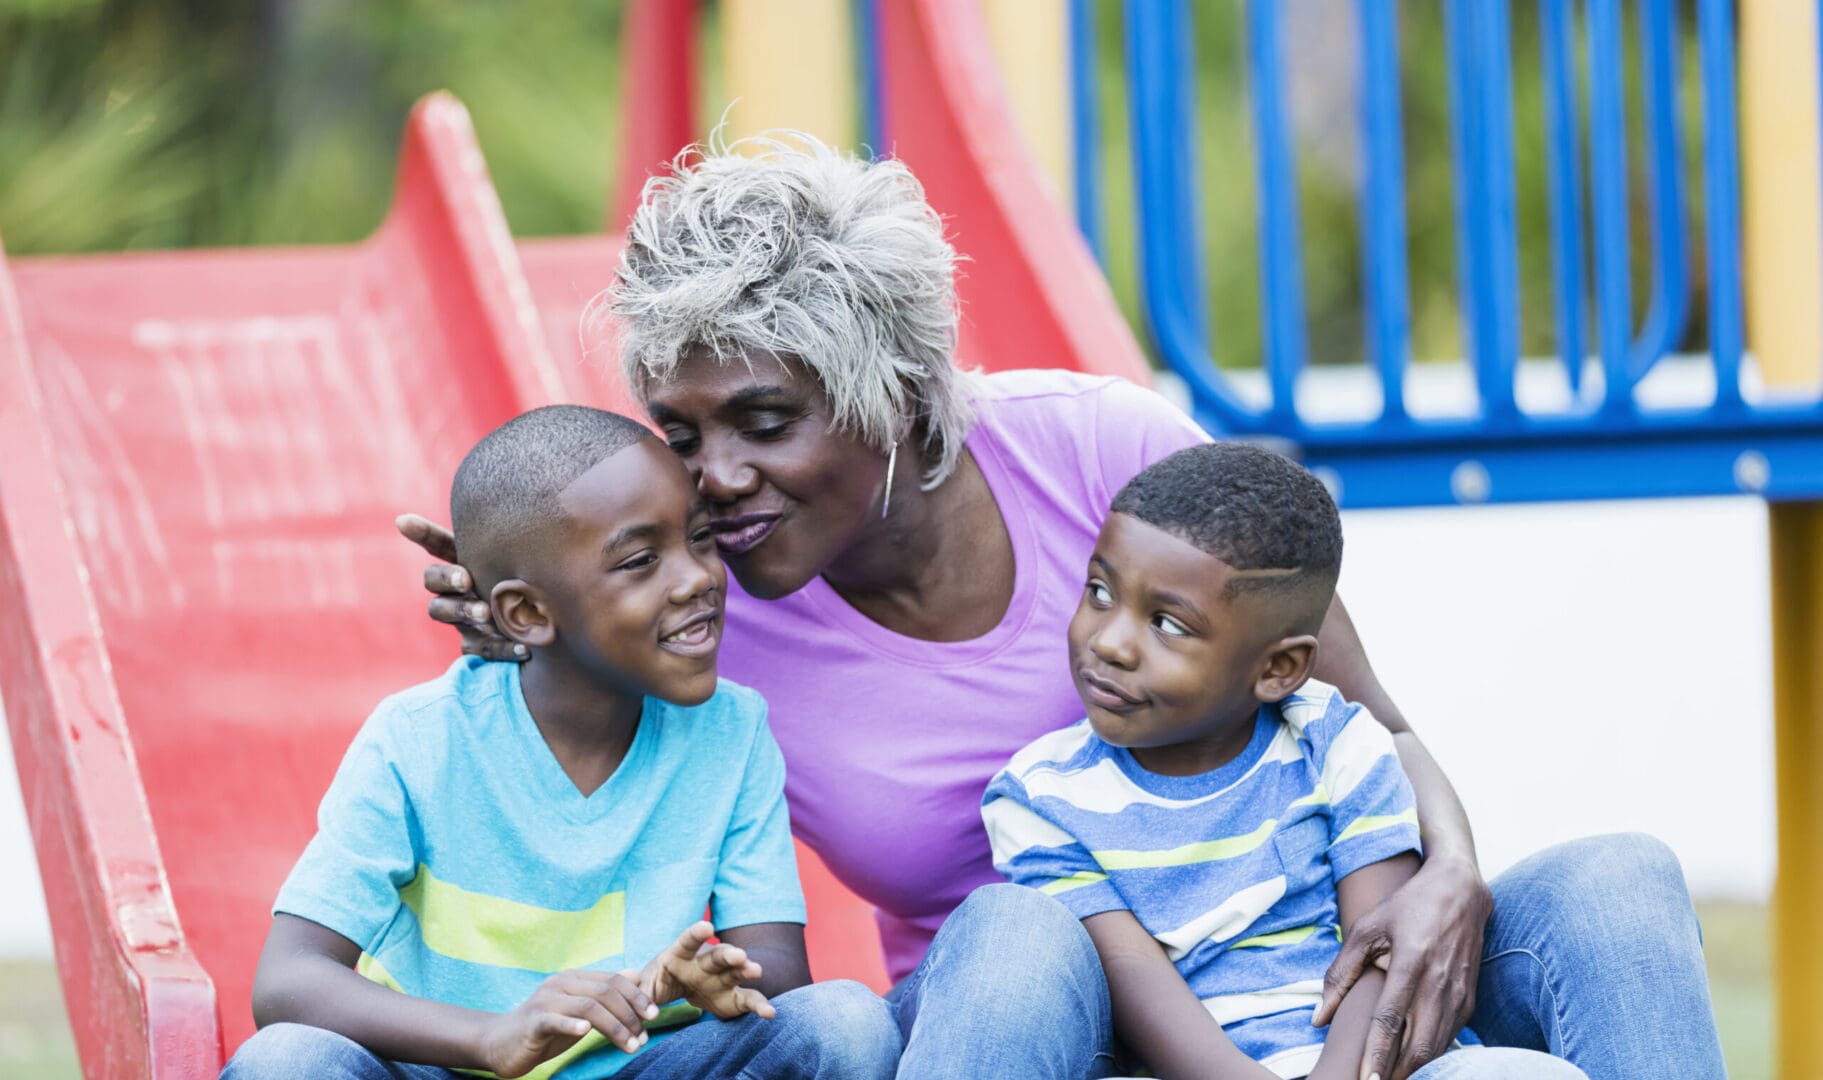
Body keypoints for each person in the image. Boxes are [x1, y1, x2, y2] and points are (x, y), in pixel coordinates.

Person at [397, 134, 1726, 1079]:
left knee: (1615, 882)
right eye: (680, 431)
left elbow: (1363, 720)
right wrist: (542, 630)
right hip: (1026, 1023)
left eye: (762, 421)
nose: (717, 479)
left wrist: (1444, 873)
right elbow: (547, 812)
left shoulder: (1101, 453)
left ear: (898, 401)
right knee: (1019, 921)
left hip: (1295, 978)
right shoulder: (693, 601)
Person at [227, 406, 900, 1080]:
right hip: (440, 1064)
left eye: (699, 538)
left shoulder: (730, 732)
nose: (696, 576)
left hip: (638, 1066)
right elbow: (289, 978)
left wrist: (691, 983)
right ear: (527, 613)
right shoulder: (420, 737)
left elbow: (778, 972)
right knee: (284, 1061)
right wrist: (491, 1038)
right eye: (640, 560)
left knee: (842, 1021)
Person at [982, 443, 1585, 1080]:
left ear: (1278, 669)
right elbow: (1137, 989)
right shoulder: (1040, 797)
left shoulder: (1337, 743)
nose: (1108, 641)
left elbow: (1382, 948)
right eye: (1100, 591)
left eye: (1168, 624)